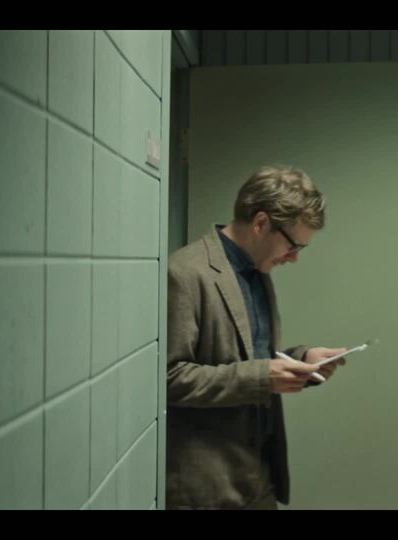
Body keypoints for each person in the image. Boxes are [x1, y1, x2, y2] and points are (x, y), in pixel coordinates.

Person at [165, 165, 347, 509]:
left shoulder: (256, 271)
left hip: (259, 478)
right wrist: (263, 377)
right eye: (293, 245)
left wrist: (301, 358)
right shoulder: (185, 273)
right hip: (208, 489)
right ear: (261, 223)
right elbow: (169, 377)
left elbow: (248, 355)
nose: (294, 258)